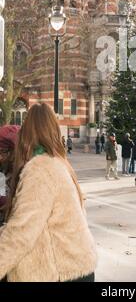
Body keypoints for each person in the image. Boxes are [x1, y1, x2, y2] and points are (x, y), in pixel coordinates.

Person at [0, 103, 97, 282]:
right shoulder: (59, 162)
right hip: (76, 266)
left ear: (26, 133)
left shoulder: (40, 169)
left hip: (62, 272)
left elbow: (22, 232)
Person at [0, 125, 20, 225]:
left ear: (14, 151)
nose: (0, 157)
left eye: (2, 152)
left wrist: (9, 203)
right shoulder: (3, 167)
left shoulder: (26, 171)